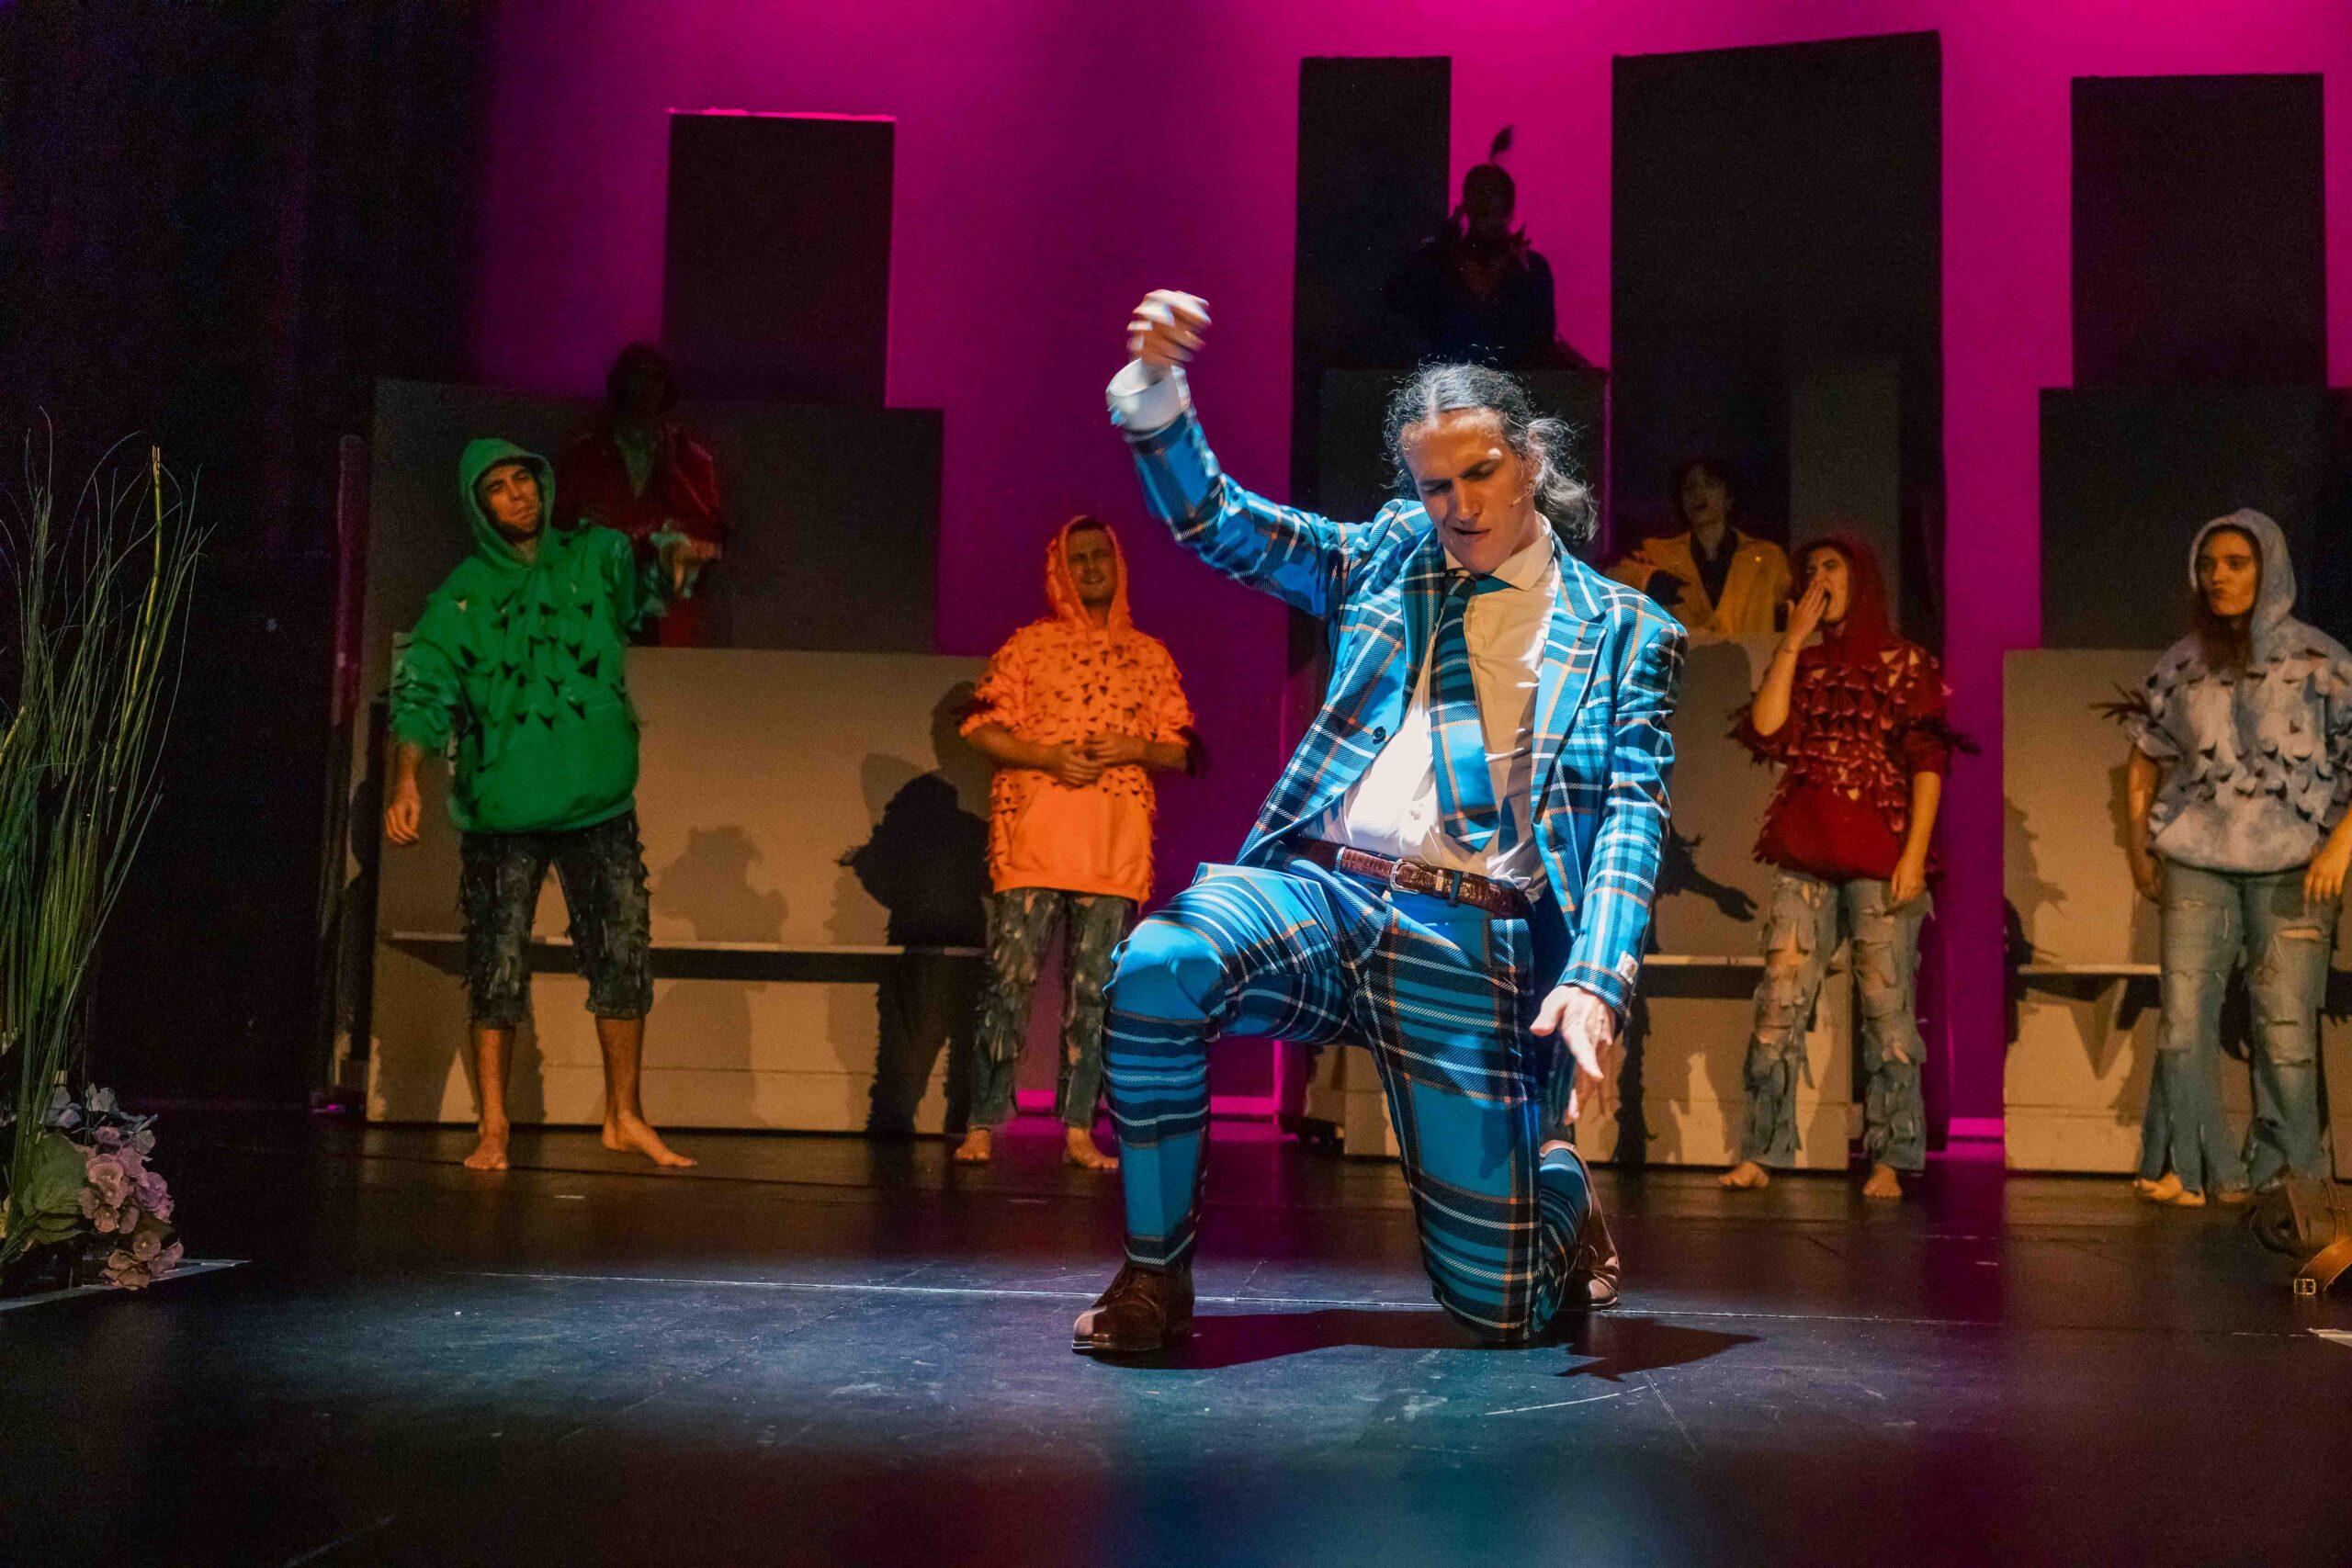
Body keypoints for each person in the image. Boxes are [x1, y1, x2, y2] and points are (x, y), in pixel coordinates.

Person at [1071, 289, 1684, 1355]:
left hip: (1469, 942)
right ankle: (1152, 1278)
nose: (1458, 506)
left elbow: (1633, 813)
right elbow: (1221, 525)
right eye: (1434, 485)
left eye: (1479, 474)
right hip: (1329, 895)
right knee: (1160, 964)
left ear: (1531, 459)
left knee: (1501, 1312)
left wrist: (1594, 978)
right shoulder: (1391, 555)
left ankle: (1554, 1193)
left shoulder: (1625, 630)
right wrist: (1158, 393)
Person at [384, 438, 715, 1171]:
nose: (519, 494)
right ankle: (494, 1125)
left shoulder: (594, 554)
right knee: (495, 963)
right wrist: (406, 777)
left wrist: (673, 560)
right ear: (480, 507)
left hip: (597, 801)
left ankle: (624, 1114)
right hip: (503, 813)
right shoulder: (461, 595)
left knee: (622, 953)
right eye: (499, 487)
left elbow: (643, 588)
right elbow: (421, 691)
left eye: (524, 478)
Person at [2117, 510, 2352, 1206]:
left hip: (2295, 863)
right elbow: (2144, 754)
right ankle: (2191, 1167)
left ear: (2269, 567)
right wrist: (2140, 847)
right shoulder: (2183, 663)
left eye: (2235, 562)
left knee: (2284, 1028)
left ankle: (2287, 1176)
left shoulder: (2322, 662)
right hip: (2198, 857)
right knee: (2184, 1020)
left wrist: (2341, 847)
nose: (2217, 576)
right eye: (2208, 564)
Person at [952, 514, 1200, 1172]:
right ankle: (982, 1120)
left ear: (1118, 564)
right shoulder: (1030, 647)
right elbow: (977, 726)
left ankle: (1078, 1129)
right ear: (1059, 570)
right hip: (1034, 835)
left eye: (1100, 555)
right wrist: (1046, 756)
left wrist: (1132, 746)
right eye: (1077, 557)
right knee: (1008, 980)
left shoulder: (1148, 656)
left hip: (1112, 843)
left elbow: (1183, 750)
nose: (1090, 567)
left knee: (1095, 994)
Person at [1720, 535, 1956, 1201]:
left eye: (1833, 567)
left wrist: (1915, 855)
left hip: (1882, 859)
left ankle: (1891, 1157)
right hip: (1805, 854)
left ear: (1861, 577)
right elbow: (1769, 730)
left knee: (1887, 1013)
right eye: (1811, 570)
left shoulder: (1905, 662)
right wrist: (1792, 642)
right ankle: (1760, 1149)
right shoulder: (1806, 660)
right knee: (1779, 1001)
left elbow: (1929, 763)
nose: (1819, 579)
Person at [558, 343, 728, 647]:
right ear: (623, 381)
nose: (647, 386)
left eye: (655, 377)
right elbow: (557, 524)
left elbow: (713, 532)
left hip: (665, 605)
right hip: (596, 599)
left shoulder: (690, 458)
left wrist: (673, 475)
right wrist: (582, 526)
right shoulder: (585, 453)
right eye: (638, 375)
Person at [1385, 129, 1590, 373]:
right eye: (1477, 191)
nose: (1484, 199)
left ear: (1509, 208)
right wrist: (1439, 246)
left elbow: (1540, 340)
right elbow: (1400, 302)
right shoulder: (1439, 264)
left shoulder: (1532, 269)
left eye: (1492, 192)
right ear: (1465, 203)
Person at [1606, 458, 1789, 642]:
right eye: (1689, 487)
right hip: (1687, 658)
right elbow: (1611, 580)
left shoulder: (1768, 557)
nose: (1698, 493)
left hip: (1753, 658)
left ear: (1729, 496)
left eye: (1710, 484)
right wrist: (1648, 579)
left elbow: (1792, 607)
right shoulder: (1659, 553)